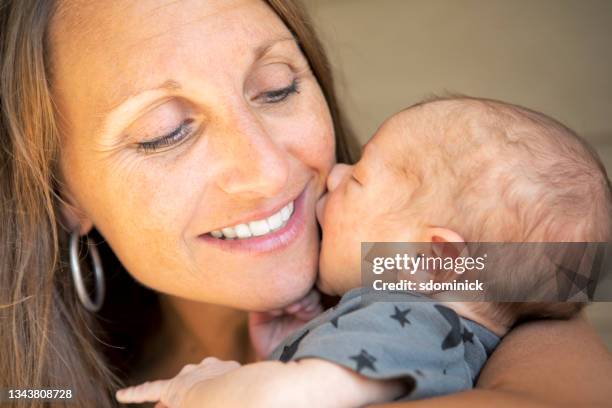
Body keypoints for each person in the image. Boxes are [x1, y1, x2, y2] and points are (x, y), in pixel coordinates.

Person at [0, 1, 611, 407]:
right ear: (60, 193)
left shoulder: (478, 275)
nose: (268, 172)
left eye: (276, 87)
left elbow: (569, 269)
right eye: (166, 131)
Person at [114, 97, 611, 407]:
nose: (334, 174)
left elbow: (285, 400)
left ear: (434, 259)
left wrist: (203, 388)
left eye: (359, 178)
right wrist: (301, 348)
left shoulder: (405, 321)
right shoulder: (447, 341)